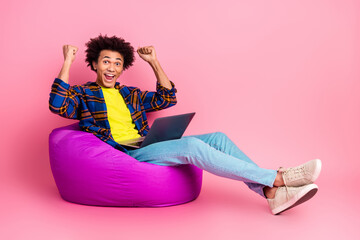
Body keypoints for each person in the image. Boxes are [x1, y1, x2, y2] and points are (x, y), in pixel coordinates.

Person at [49, 34, 322, 215]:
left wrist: (154, 62)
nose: (111, 67)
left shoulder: (129, 93)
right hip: (126, 152)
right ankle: (276, 178)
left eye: (117, 63)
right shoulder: (83, 94)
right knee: (192, 145)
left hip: (148, 143)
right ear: (95, 64)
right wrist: (68, 61)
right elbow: (57, 105)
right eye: (106, 61)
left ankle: (270, 192)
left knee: (218, 138)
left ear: (122, 68)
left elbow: (167, 98)